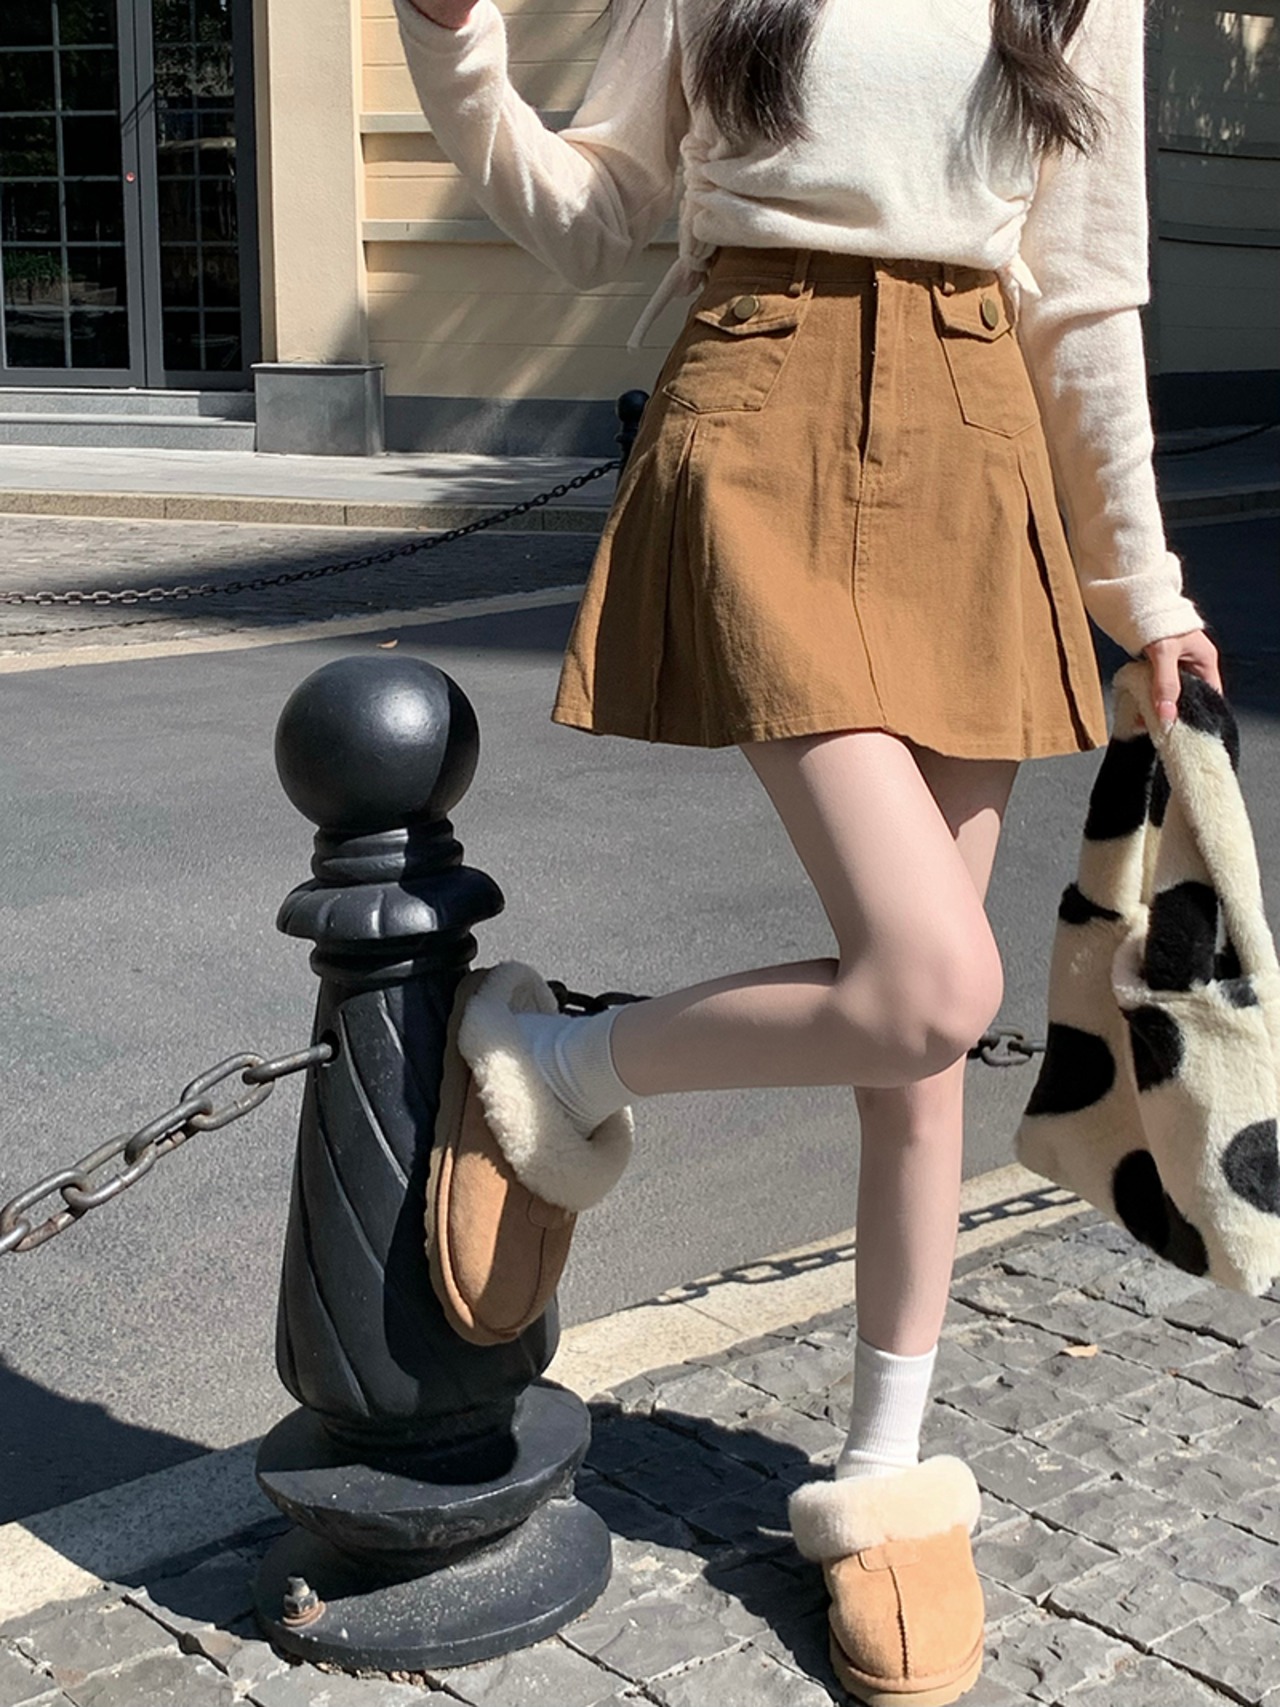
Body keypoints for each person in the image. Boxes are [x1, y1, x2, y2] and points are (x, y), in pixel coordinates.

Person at [399, 0, 1223, 1699]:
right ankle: (557, 1064)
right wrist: (454, 44)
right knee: (932, 984)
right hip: (761, 414)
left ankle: (886, 1470)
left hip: (980, 444)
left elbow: (1084, 293)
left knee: (914, 1045)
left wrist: (1146, 592)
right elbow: (598, 213)